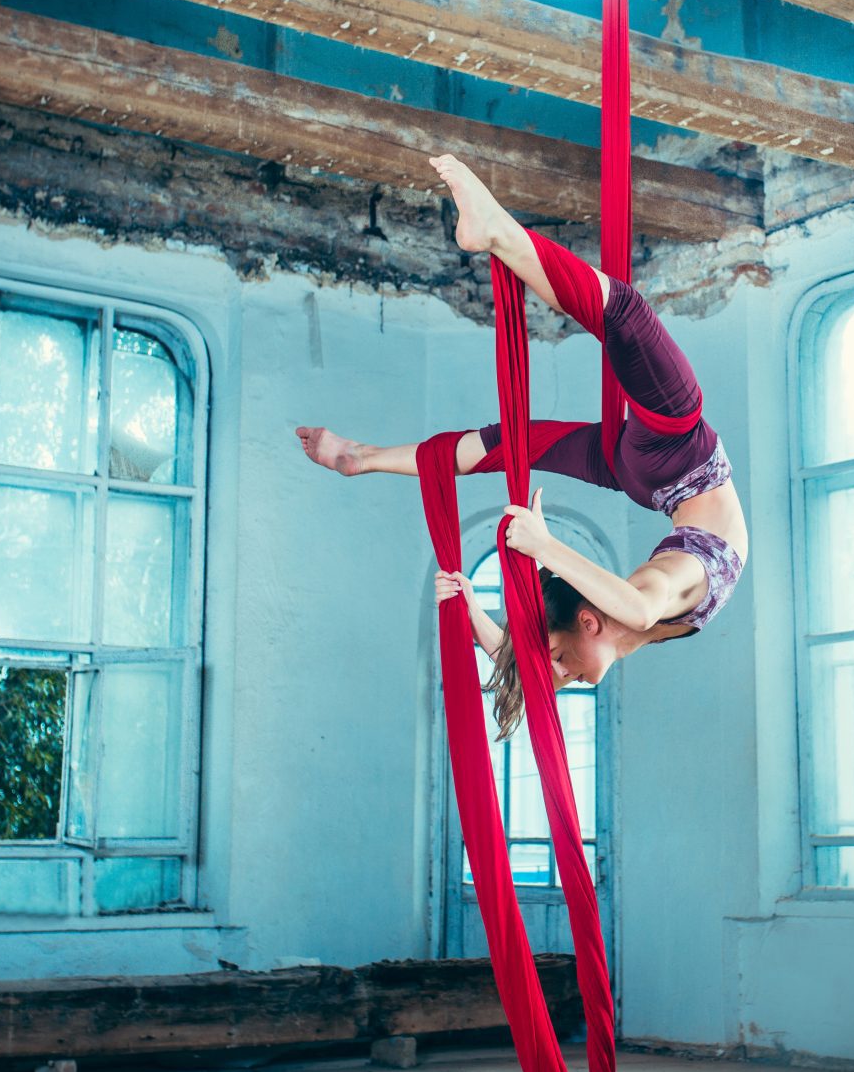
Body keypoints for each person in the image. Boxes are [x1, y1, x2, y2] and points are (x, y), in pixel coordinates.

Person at [298, 155, 748, 737]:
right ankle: (364, 455)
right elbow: (604, 624)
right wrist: (538, 557)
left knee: (593, 348)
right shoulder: (638, 612)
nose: (554, 677)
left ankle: (497, 235)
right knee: (526, 430)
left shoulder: (638, 607)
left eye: (553, 660)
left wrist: (477, 603)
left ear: (588, 621)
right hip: (658, 471)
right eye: (555, 662)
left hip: (672, 462)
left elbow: (571, 635)